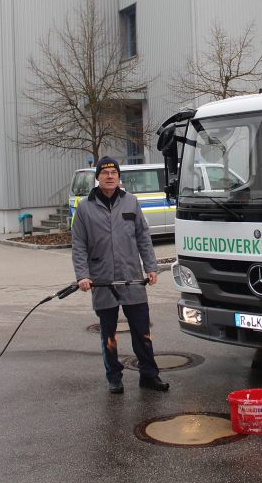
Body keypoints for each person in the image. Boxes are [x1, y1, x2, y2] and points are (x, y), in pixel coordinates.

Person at [71, 156, 169, 394]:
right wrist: (82, 275)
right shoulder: (85, 207)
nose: (110, 176)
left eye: (114, 172)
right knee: (109, 334)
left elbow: (143, 238)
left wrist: (151, 267)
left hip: (132, 277)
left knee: (142, 331)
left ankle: (149, 375)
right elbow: (79, 244)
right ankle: (114, 377)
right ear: (98, 177)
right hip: (102, 279)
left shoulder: (131, 202)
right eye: (105, 173)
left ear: (119, 176)